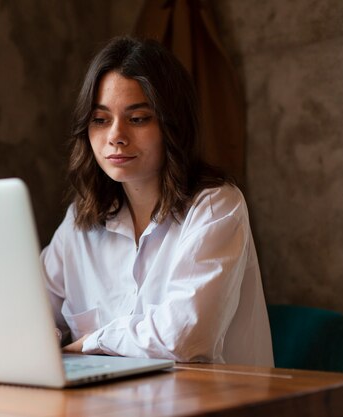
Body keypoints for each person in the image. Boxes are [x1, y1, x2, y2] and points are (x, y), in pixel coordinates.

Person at [41, 36, 274, 366]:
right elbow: (29, 310)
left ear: (171, 125)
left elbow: (185, 336)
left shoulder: (216, 206)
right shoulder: (80, 220)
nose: (116, 136)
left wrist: (89, 343)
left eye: (137, 119)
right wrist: (40, 342)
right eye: (100, 119)